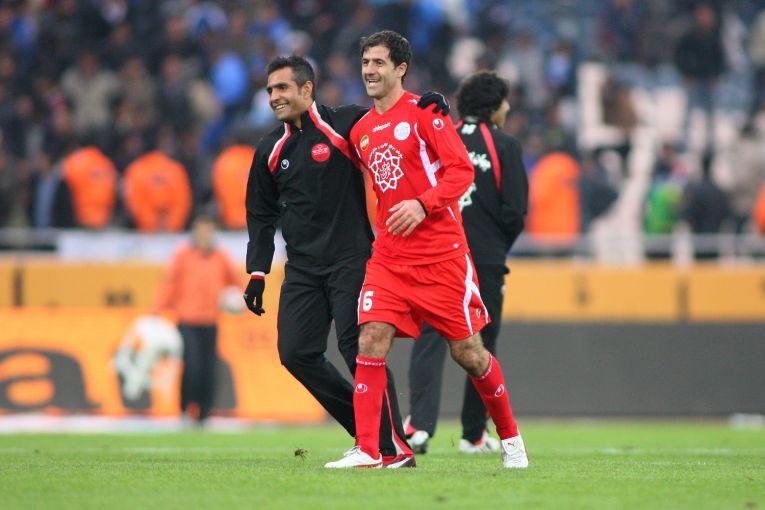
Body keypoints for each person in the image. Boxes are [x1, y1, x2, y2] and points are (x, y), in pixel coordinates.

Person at [325, 31, 528, 469]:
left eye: (379, 62)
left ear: (401, 69)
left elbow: (461, 171)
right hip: (389, 258)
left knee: (468, 353)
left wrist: (423, 203)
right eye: (365, 62)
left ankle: (511, 437)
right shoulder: (360, 130)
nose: (369, 70)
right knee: (370, 339)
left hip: (441, 256)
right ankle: (369, 449)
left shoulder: (426, 114)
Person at [243, 55, 449, 468]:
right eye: (269, 90)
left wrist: (429, 104)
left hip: (351, 260)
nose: (274, 97)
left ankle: (392, 448)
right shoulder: (269, 149)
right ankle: (367, 431)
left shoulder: (345, 124)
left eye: (282, 88)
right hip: (302, 268)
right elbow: (260, 215)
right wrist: (258, 272)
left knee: (359, 349)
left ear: (307, 89)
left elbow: (391, 115)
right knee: (295, 353)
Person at [403, 70, 528, 455]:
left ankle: (418, 427)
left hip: (440, 254)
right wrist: (495, 249)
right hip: (485, 258)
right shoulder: (505, 144)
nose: (508, 108)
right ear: (493, 105)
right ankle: (473, 435)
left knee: (429, 337)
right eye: (505, 101)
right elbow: (516, 211)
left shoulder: (443, 135)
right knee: (482, 343)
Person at [154, 214, 240, 424]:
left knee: (208, 368)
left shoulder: (220, 257)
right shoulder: (183, 255)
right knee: (192, 366)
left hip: (210, 321)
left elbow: (236, 283)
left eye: (208, 230)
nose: (204, 234)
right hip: (186, 320)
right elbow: (170, 284)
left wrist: (241, 299)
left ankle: (204, 413)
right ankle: (185, 408)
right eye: (201, 229)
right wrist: (156, 309)